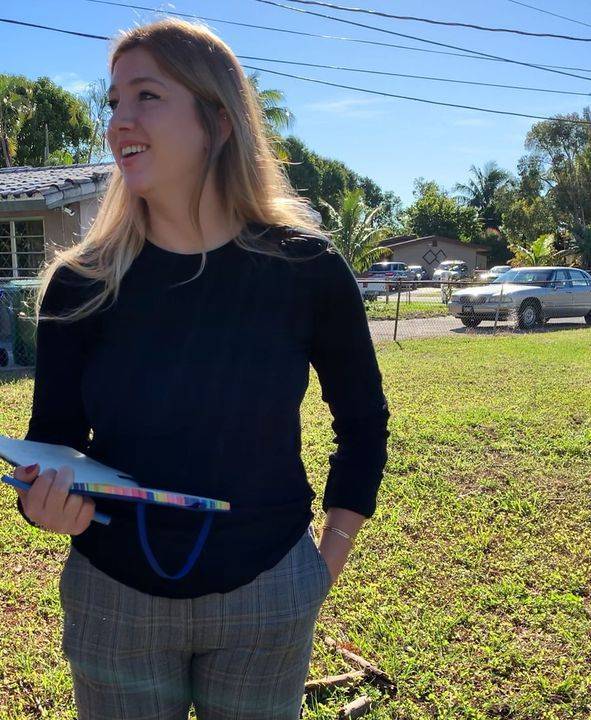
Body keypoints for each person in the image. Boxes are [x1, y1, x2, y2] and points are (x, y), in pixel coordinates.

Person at [11, 17, 390, 720]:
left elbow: (363, 422)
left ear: (217, 120)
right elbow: (53, 440)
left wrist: (324, 563)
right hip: (113, 596)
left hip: (269, 589)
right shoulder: (81, 283)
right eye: (113, 102)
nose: (118, 121)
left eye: (146, 96)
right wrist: (42, 504)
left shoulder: (306, 269)